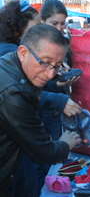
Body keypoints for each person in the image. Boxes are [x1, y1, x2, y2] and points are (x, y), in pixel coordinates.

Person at [0, 24, 81, 196]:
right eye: (45, 62)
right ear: (23, 53)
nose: (51, 73)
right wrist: (66, 143)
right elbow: (43, 151)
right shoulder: (12, 93)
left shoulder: (10, 63)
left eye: (57, 65)